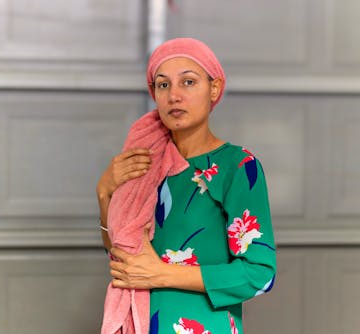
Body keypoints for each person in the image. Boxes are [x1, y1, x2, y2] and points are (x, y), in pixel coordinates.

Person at [97, 38, 276, 334]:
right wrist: (104, 193)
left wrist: (161, 274)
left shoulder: (237, 166)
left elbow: (259, 274)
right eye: (163, 85)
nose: (174, 96)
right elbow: (123, 257)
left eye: (188, 82)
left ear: (214, 89)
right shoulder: (145, 162)